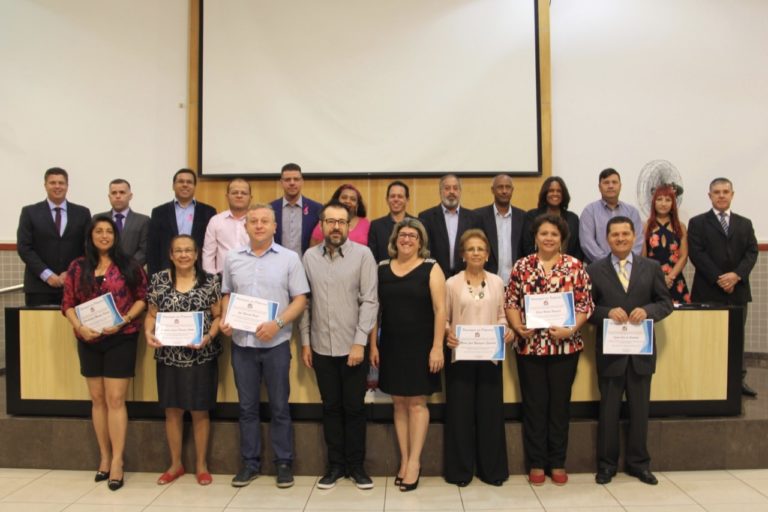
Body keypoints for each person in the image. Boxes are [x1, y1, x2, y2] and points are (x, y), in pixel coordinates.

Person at [221, 204, 310, 488]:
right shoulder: (232, 258)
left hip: (276, 345)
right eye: (253, 221)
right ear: (246, 227)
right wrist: (225, 318)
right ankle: (250, 463)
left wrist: (278, 324)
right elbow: (227, 294)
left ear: (274, 227)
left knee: (280, 406)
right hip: (241, 344)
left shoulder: (289, 259)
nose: (259, 226)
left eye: (265, 221)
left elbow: (300, 300)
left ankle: (284, 463)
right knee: (247, 408)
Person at [505, 214, 593, 486]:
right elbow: (511, 301)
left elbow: (585, 305)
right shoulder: (522, 266)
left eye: (554, 234)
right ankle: (536, 462)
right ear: (535, 237)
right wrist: (518, 327)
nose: (548, 238)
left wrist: (571, 329)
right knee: (534, 404)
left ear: (561, 238)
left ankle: (557, 461)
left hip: (565, 346)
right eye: (544, 233)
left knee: (559, 405)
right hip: (530, 346)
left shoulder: (575, 266)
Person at [61, 215, 147, 491]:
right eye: (98, 231)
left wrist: (122, 321)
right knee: (97, 399)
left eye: (109, 231)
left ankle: (119, 461)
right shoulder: (77, 266)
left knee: (115, 399)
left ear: (116, 236)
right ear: (91, 235)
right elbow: (68, 304)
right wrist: (80, 328)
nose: (104, 236)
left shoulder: (129, 265)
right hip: (88, 339)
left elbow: (142, 299)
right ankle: (105, 457)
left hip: (121, 337)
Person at [587, 216, 673, 486]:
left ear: (635, 236)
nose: (621, 238)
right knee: (609, 411)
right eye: (615, 235)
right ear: (607, 238)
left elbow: (665, 303)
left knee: (639, 411)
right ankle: (607, 465)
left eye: (626, 234)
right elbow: (586, 308)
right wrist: (605, 312)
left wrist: (647, 311)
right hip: (611, 353)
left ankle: (639, 464)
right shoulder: (594, 269)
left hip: (640, 353)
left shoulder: (652, 267)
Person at [300, 201, 378, 490]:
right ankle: (335, 466)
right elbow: (305, 303)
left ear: (348, 225)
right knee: (330, 407)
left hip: (352, 348)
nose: (335, 226)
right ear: (321, 225)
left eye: (341, 222)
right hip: (320, 346)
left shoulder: (363, 255)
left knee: (355, 408)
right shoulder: (309, 257)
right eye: (330, 221)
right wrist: (306, 342)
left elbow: (370, 301)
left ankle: (356, 467)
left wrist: (360, 343)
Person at [370, 218, 446, 492]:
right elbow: (374, 309)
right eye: (403, 234)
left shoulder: (431, 267)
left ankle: (415, 463)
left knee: (416, 403)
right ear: (395, 238)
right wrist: (373, 345)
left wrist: (438, 346)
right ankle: (404, 460)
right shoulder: (381, 268)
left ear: (421, 241)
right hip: (390, 344)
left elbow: (441, 310)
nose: (407, 239)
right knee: (398, 403)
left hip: (422, 346)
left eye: (413, 235)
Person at [144, 235, 222, 486]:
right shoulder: (158, 280)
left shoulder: (210, 282)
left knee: (200, 411)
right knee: (173, 411)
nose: (184, 255)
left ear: (197, 254)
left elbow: (219, 317)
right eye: (178, 250)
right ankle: (175, 464)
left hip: (201, 355)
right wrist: (148, 332)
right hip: (169, 357)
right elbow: (151, 315)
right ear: (170, 254)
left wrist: (209, 336)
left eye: (189, 250)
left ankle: (201, 465)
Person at [443, 229, 512, 488]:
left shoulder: (497, 282)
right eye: (470, 249)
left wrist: (507, 330)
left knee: (490, 415)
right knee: (460, 416)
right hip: (460, 357)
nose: (475, 253)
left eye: (480, 249)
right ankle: (460, 472)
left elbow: (502, 315)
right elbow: (445, 318)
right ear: (462, 254)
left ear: (487, 254)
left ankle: (492, 470)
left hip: (490, 357)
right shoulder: (452, 283)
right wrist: (447, 334)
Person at [688, 178, 758, 396]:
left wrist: (736, 275)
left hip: (738, 291)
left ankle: (738, 381)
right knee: (708, 338)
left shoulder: (744, 223)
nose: (721, 195)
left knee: (737, 338)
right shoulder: (697, 223)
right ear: (709, 196)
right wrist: (720, 278)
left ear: (732, 194)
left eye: (725, 191)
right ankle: (708, 381)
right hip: (708, 290)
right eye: (716, 192)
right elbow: (697, 254)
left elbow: (751, 252)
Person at [18, 167, 91, 306]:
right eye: (52, 183)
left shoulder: (82, 213)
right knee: (37, 327)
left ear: (67, 186)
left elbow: (88, 248)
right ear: (45, 185)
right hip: (39, 287)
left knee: (73, 328)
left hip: (74, 284)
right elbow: (24, 248)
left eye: (61, 183)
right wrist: (47, 275)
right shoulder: (30, 212)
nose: (57, 186)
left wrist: (70, 273)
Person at [147, 168, 217, 276]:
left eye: (189, 182)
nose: (185, 185)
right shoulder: (159, 212)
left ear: (194, 186)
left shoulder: (208, 212)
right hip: (167, 271)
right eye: (181, 181)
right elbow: (153, 248)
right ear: (173, 186)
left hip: (199, 271)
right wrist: (153, 277)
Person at [579, 168, 643, 263]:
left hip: (629, 268)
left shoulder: (632, 212)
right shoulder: (589, 211)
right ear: (599, 187)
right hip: (599, 268)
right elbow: (587, 243)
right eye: (606, 183)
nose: (610, 186)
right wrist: (609, 264)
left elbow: (638, 242)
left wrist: (625, 262)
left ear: (620, 186)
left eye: (614, 182)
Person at [419, 174, 477, 277]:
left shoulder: (473, 218)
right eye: (447, 188)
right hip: (435, 277)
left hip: (465, 277)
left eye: (455, 188)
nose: (451, 192)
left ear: (460, 192)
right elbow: (424, 250)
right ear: (440, 191)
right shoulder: (426, 217)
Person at [642, 185, 691, 304]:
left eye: (668, 200)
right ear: (654, 202)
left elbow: (683, 256)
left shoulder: (681, 226)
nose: (663, 203)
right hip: (653, 281)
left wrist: (670, 277)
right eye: (659, 199)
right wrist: (659, 279)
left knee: (681, 320)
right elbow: (643, 258)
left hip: (675, 280)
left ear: (673, 203)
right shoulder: (646, 226)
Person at [474, 174, 526, 287]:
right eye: (500, 187)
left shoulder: (523, 217)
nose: (504, 191)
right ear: (492, 190)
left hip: (516, 283)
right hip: (486, 283)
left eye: (507, 187)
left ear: (512, 190)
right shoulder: (478, 216)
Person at [522, 176, 582, 260]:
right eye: (551, 191)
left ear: (563, 194)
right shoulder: (532, 216)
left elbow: (577, 249)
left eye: (559, 191)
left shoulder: (573, 218)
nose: (555, 194)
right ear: (545, 193)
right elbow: (526, 245)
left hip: (568, 268)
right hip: (536, 267)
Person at [95, 178, 150, 267]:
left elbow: (144, 250)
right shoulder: (98, 219)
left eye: (122, 192)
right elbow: (92, 245)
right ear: (109, 197)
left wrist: (127, 267)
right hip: (102, 270)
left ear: (130, 196)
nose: (118, 196)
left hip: (131, 273)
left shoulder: (143, 221)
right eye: (114, 193)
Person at [202, 178, 252, 275]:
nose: (239, 195)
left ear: (250, 197)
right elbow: (208, 254)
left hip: (251, 279)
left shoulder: (258, 221)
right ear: (227, 196)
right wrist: (211, 280)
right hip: (222, 281)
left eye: (244, 193)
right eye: (234, 192)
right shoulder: (216, 221)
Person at [270, 163, 322, 255]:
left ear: (302, 181)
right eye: (287, 180)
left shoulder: (317, 209)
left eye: (296, 179)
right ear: (281, 182)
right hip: (277, 266)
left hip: (306, 265)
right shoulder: (271, 209)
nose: (292, 183)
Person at [368, 180, 414, 262]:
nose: (396, 199)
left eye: (400, 196)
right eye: (392, 196)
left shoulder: (418, 224)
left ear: (407, 200)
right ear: (387, 199)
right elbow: (372, 259)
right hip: (384, 273)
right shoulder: (376, 226)